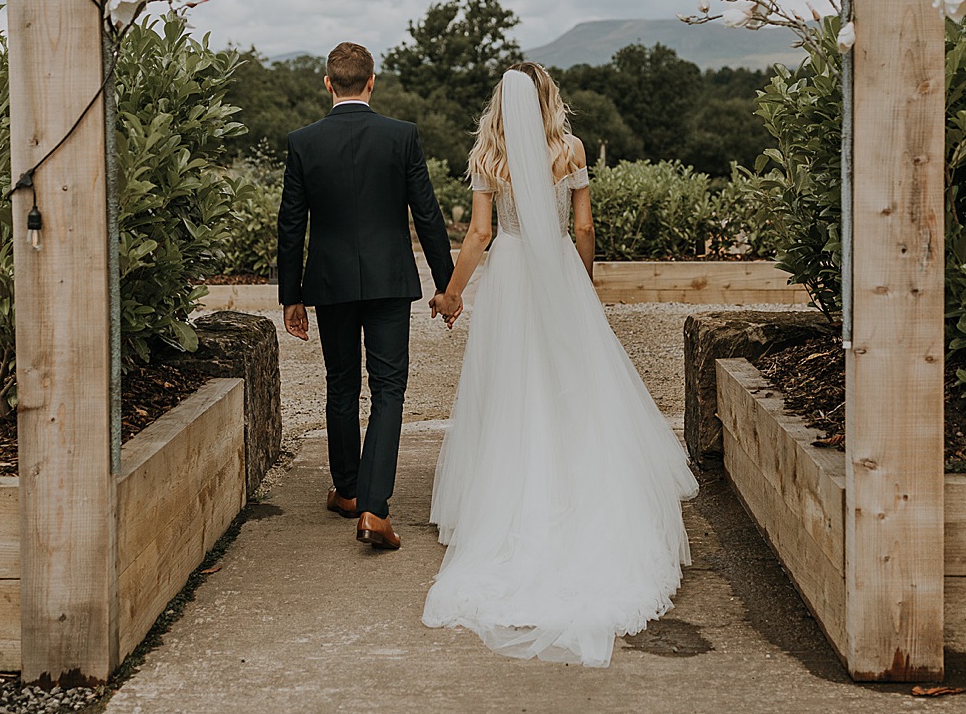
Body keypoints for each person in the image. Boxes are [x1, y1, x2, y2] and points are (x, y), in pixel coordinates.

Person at [422, 62, 698, 667]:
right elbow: (583, 225)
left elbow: (479, 236)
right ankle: (581, 488)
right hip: (559, 277)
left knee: (512, 390)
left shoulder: (490, 157)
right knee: (575, 386)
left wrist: (452, 294)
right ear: (548, 97)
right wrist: (583, 280)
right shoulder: (569, 148)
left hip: (513, 279)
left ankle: (508, 500)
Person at [276, 41, 455, 551]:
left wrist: (291, 295)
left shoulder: (303, 142)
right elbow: (427, 215)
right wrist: (446, 286)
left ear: (328, 84)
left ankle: (350, 491)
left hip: (329, 284)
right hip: (389, 282)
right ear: (371, 82)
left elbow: (291, 224)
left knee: (340, 382)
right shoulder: (401, 137)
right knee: (389, 388)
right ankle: (374, 509)